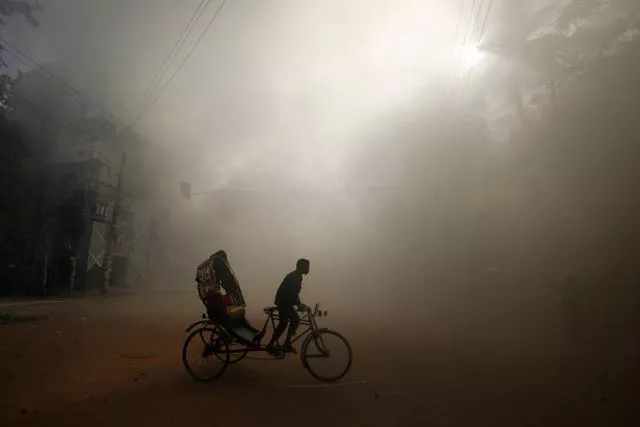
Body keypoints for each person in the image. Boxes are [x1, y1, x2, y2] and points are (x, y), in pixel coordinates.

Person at [267, 258, 311, 354]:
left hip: (284, 302)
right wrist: (300, 305)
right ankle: (286, 344)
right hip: (284, 303)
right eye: (307, 267)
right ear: (302, 267)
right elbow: (292, 294)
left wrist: (299, 304)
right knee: (295, 320)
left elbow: (294, 294)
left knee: (283, 324)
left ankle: (272, 345)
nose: (308, 269)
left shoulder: (296, 276)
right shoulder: (295, 277)